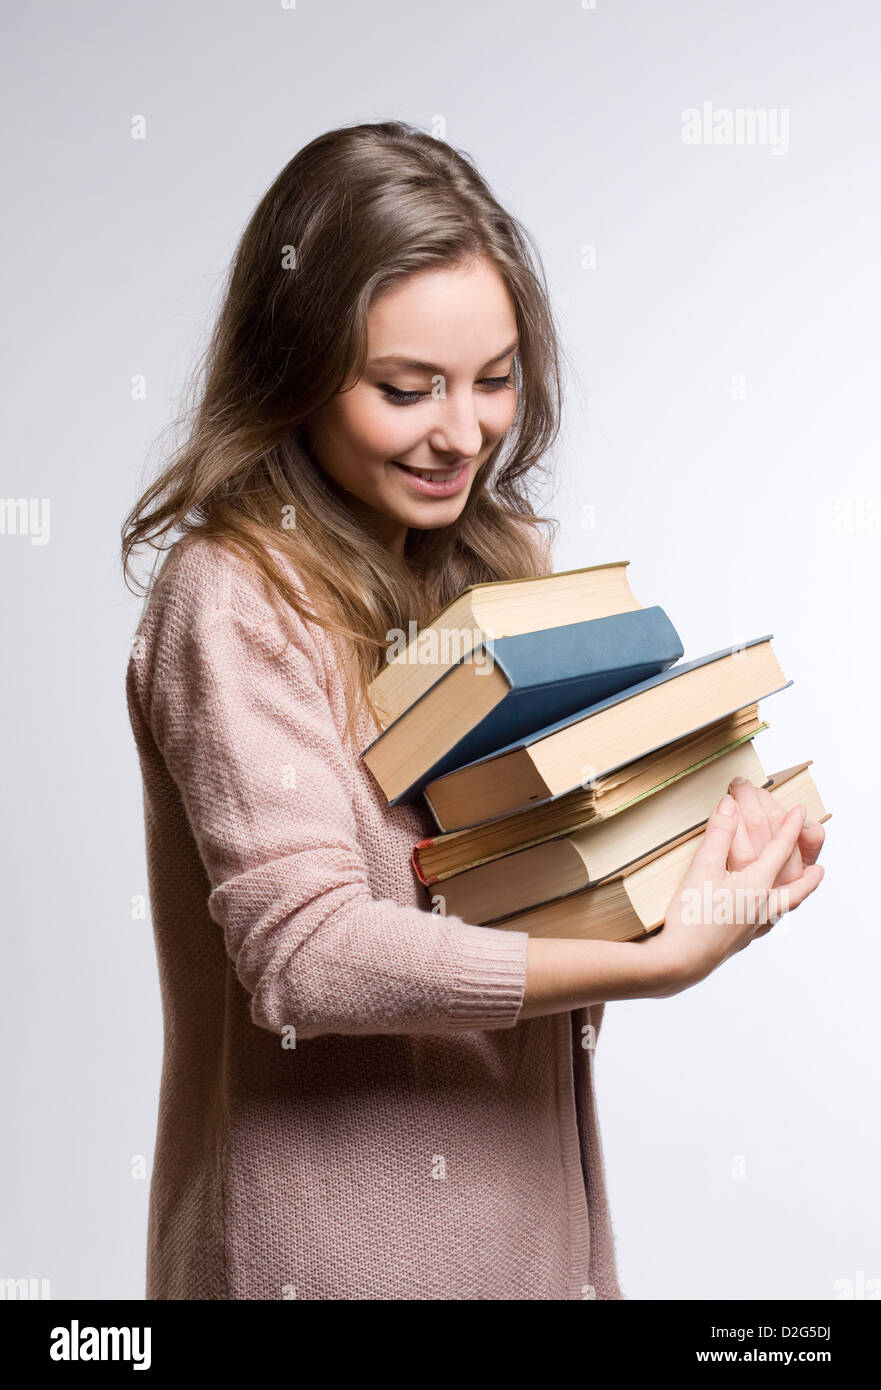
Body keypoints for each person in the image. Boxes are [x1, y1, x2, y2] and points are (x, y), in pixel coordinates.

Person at [122, 120, 826, 1301]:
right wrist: (655, 968)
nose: (462, 433)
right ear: (292, 368)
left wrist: (675, 863)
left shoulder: (484, 570)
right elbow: (305, 956)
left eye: (494, 379)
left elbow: (500, 906)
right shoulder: (232, 596)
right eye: (406, 389)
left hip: (534, 1241)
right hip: (329, 1261)